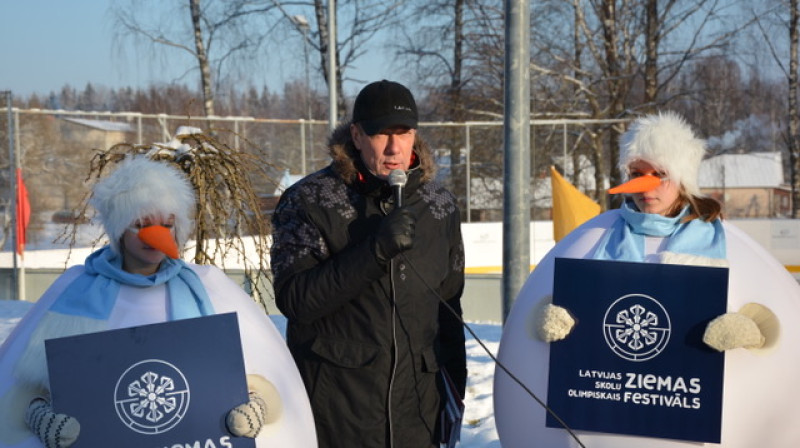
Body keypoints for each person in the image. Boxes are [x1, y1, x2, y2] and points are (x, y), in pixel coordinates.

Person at [493, 111, 799, 448]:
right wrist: (551, 316)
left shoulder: (719, 239)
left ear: (682, 177)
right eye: (637, 174)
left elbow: (772, 323)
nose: (646, 186)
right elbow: (564, 300)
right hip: (602, 418)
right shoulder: (600, 234)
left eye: (660, 174)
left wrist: (749, 330)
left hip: (691, 422)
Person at [0, 156, 317, 447]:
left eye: (166, 225)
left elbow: (262, 377)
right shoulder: (76, 292)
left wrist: (258, 405)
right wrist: (37, 416)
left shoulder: (209, 288)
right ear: (120, 227)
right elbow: (24, 387)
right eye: (142, 224)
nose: (156, 235)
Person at [270, 79, 467, 447]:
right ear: (357, 135)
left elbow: (449, 307)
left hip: (418, 411)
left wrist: (454, 394)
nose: (394, 147)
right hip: (336, 412)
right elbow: (295, 299)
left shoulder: (440, 206)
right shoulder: (309, 200)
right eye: (380, 134)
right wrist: (374, 251)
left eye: (404, 133)